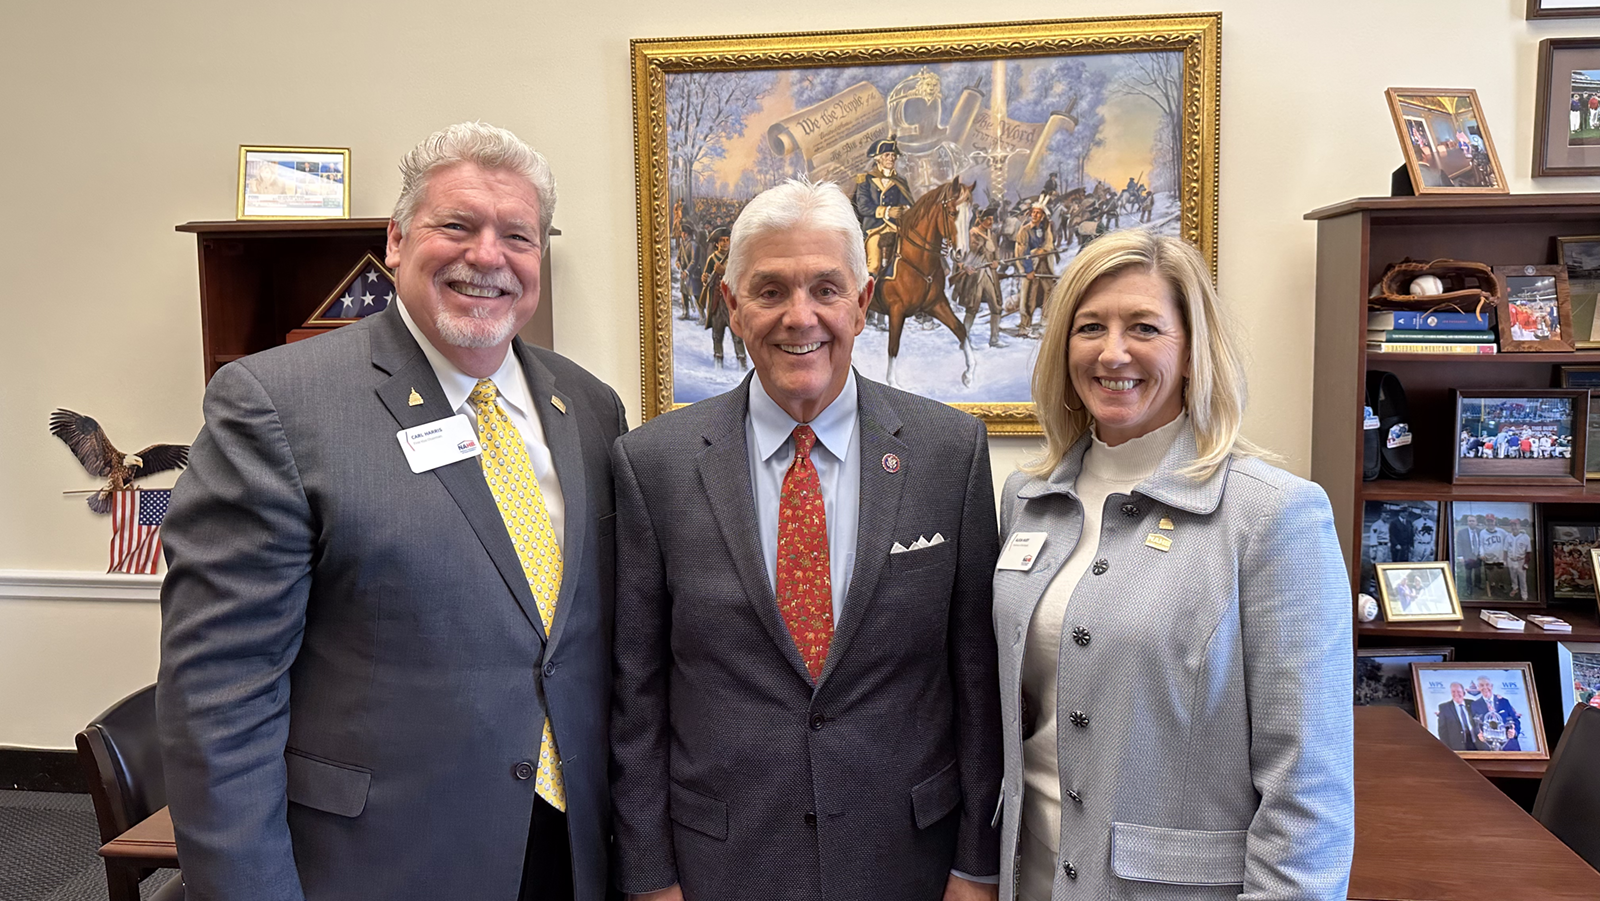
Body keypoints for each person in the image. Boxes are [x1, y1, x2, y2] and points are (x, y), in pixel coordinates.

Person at [157, 122, 628, 901]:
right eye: (457, 225)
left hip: (571, 851)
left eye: (518, 235)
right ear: (398, 240)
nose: (487, 256)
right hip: (383, 862)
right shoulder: (276, 406)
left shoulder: (588, 405)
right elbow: (220, 704)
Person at [611, 178, 1002, 901]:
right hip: (721, 865)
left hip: (909, 860)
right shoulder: (652, 464)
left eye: (826, 289)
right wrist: (648, 877)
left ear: (863, 300)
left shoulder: (951, 453)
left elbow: (978, 679)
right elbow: (638, 694)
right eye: (770, 291)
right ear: (732, 306)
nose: (801, 317)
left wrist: (976, 866)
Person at [992, 229, 1353, 901]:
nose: (1113, 352)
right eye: (1090, 327)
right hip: (1031, 878)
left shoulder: (1273, 516)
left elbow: (1308, 789)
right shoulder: (1028, 501)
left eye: (1144, 327)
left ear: (1191, 352)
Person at [853, 136, 914, 282]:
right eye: (887, 155)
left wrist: (904, 209)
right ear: (878, 158)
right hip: (874, 229)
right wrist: (887, 212)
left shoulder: (900, 181)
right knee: (874, 264)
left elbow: (907, 203)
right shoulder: (865, 180)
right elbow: (863, 207)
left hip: (896, 226)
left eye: (893, 155)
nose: (891, 158)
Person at [700, 227, 745, 370]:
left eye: (727, 240)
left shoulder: (736, 258)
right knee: (717, 334)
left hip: (732, 303)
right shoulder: (712, 259)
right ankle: (718, 362)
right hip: (716, 302)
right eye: (722, 240)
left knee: (737, 335)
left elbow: (741, 277)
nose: (725, 243)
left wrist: (724, 271)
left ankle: (742, 363)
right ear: (716, 243)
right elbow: (706, 277)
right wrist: (705, 278)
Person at [1014, 204, 1055, 338]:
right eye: (1033, 212)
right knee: (1030, 294)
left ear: (1042, 216)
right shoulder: (1025, 231)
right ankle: (1025, 326)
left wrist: (1044, 250)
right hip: (1031, 265)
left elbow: (1048, 244)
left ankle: (1045, 320)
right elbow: (1023, 252)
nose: (1035, 215)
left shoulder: (1044, 229)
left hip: (1043, 264)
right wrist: (1028, 270)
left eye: (1038, 213)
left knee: (1050, 289)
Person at [1471, 675, 1523, 751]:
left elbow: (1515, 720)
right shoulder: (1475, 705)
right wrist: (1479, 734)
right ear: (1478, 688)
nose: (1485, 687)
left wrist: (1514, 732)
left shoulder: (1504, 701)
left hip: (1509, 747)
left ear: (1491, 686)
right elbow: (1474, 724)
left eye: (1487, 685)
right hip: (1488, 748)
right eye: (1481, 685)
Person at [1437, 683, 1481, 752]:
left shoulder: (1472, 703)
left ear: (1464, 693)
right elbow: (1442, 731)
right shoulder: (1444, 708)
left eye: (1458, 691)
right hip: (1457, 747)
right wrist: (1448, 749)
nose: (1456, 694)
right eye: (1453, 692)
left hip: (1476, 745)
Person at [1507, 520, 1532, 601]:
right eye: (1512, 525)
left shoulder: (1525, 537)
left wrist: (1526, 563)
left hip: (1521, 560)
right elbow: (1505, 549)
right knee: (1513, 577)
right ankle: (1515, 588)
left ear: (1519, 526)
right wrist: (1505, 560)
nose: (1513, 527)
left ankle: (1524, 594)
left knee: (1522, 579)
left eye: (1515, 525)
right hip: (1511, 559)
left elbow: (1528, 552)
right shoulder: (1508, 536)